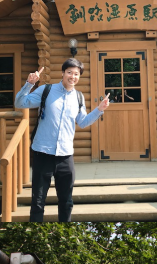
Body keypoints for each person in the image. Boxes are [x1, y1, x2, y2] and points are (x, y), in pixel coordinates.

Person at [15, 60, 110, 222]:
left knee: (66, 202)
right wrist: (29, 84)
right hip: (42, 153)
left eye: (76, 74)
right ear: (62, 73)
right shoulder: (46, 90)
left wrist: (99, 110)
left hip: (65, 157)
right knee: (37, 202)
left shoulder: (79, 97)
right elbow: (20, 103)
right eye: (69, 72)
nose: (72, 76)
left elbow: (83, 122)